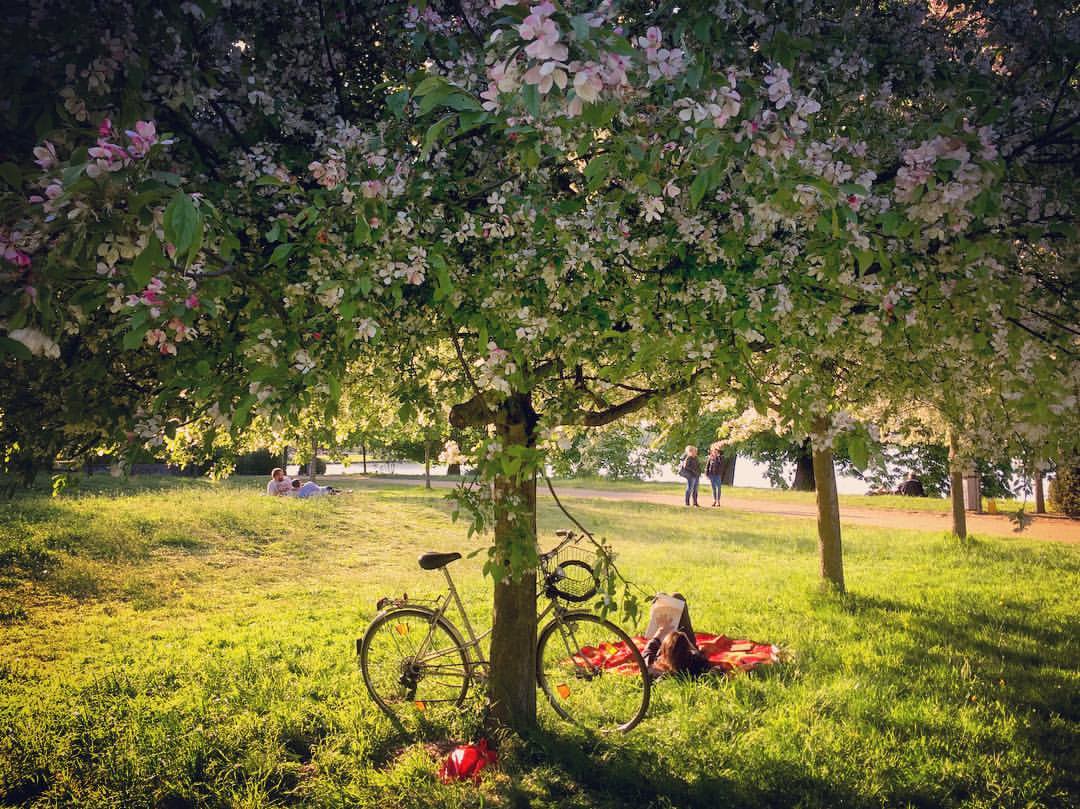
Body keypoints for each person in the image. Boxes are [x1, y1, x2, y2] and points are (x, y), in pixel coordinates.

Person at [640, 593, 721, 679]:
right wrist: (691, 646)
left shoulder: (655, 668)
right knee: (677, 597)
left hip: (666, 638)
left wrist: (661, 631)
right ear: (688, 650)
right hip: (676, 644)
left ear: (664, 651)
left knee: (661, 597)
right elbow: (716, 669)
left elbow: (647, 652)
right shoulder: (696, 663)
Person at [704, 442, 725, 507]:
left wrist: (717, 457)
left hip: (718, 474)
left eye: (716, 451)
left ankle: (718, 501)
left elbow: (721, 464)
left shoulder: (720, 458)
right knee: (713, 488)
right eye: (713, 451)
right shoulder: (710, 458)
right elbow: (707, 466)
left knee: (718, 487)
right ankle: (714, 500)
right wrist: (706, 474)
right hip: (711, 474)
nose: (715, 453)